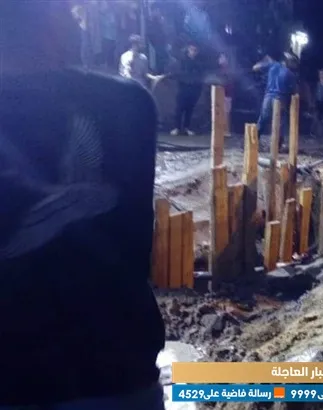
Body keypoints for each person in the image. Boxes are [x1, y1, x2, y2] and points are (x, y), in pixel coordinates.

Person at [0, 2, 165, 408]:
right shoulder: (124, 105)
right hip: (115, 374)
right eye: (69, 11)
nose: (79, 23)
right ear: (50, 20)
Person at [253, 52, 299, 148]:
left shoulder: (273, 65)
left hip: (268, 97)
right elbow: (294, 92)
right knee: (281, 122)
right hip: (280, 98)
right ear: (289, 61)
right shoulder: (290, 74)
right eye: (293, 62)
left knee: (262, 120)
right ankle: (277, 145)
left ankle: (253, 141)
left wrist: (264, 61)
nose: (295, 65)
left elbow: (255, 67)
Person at [169, 42, 206, 136]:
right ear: (188, 50)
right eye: (191, 49)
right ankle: (177, 127)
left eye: (195, 50)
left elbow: (200, 76)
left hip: (193, 89)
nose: (193, 52)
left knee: (190, 109)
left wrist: (198, 88)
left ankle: (187, 127)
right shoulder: (182, 61)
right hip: (183, 88)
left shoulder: (198, 63)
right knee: (179, 108)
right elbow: (178, 73)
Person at [218, 52, 235, 137]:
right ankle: (222, 130)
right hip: (221, 94)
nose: (219, 59)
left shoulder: (228, 70)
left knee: (225, 113)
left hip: (226, 94)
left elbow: (228, 82)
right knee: (222, 112)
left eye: (222, 57)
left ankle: (226, 130)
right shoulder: (221, 69)